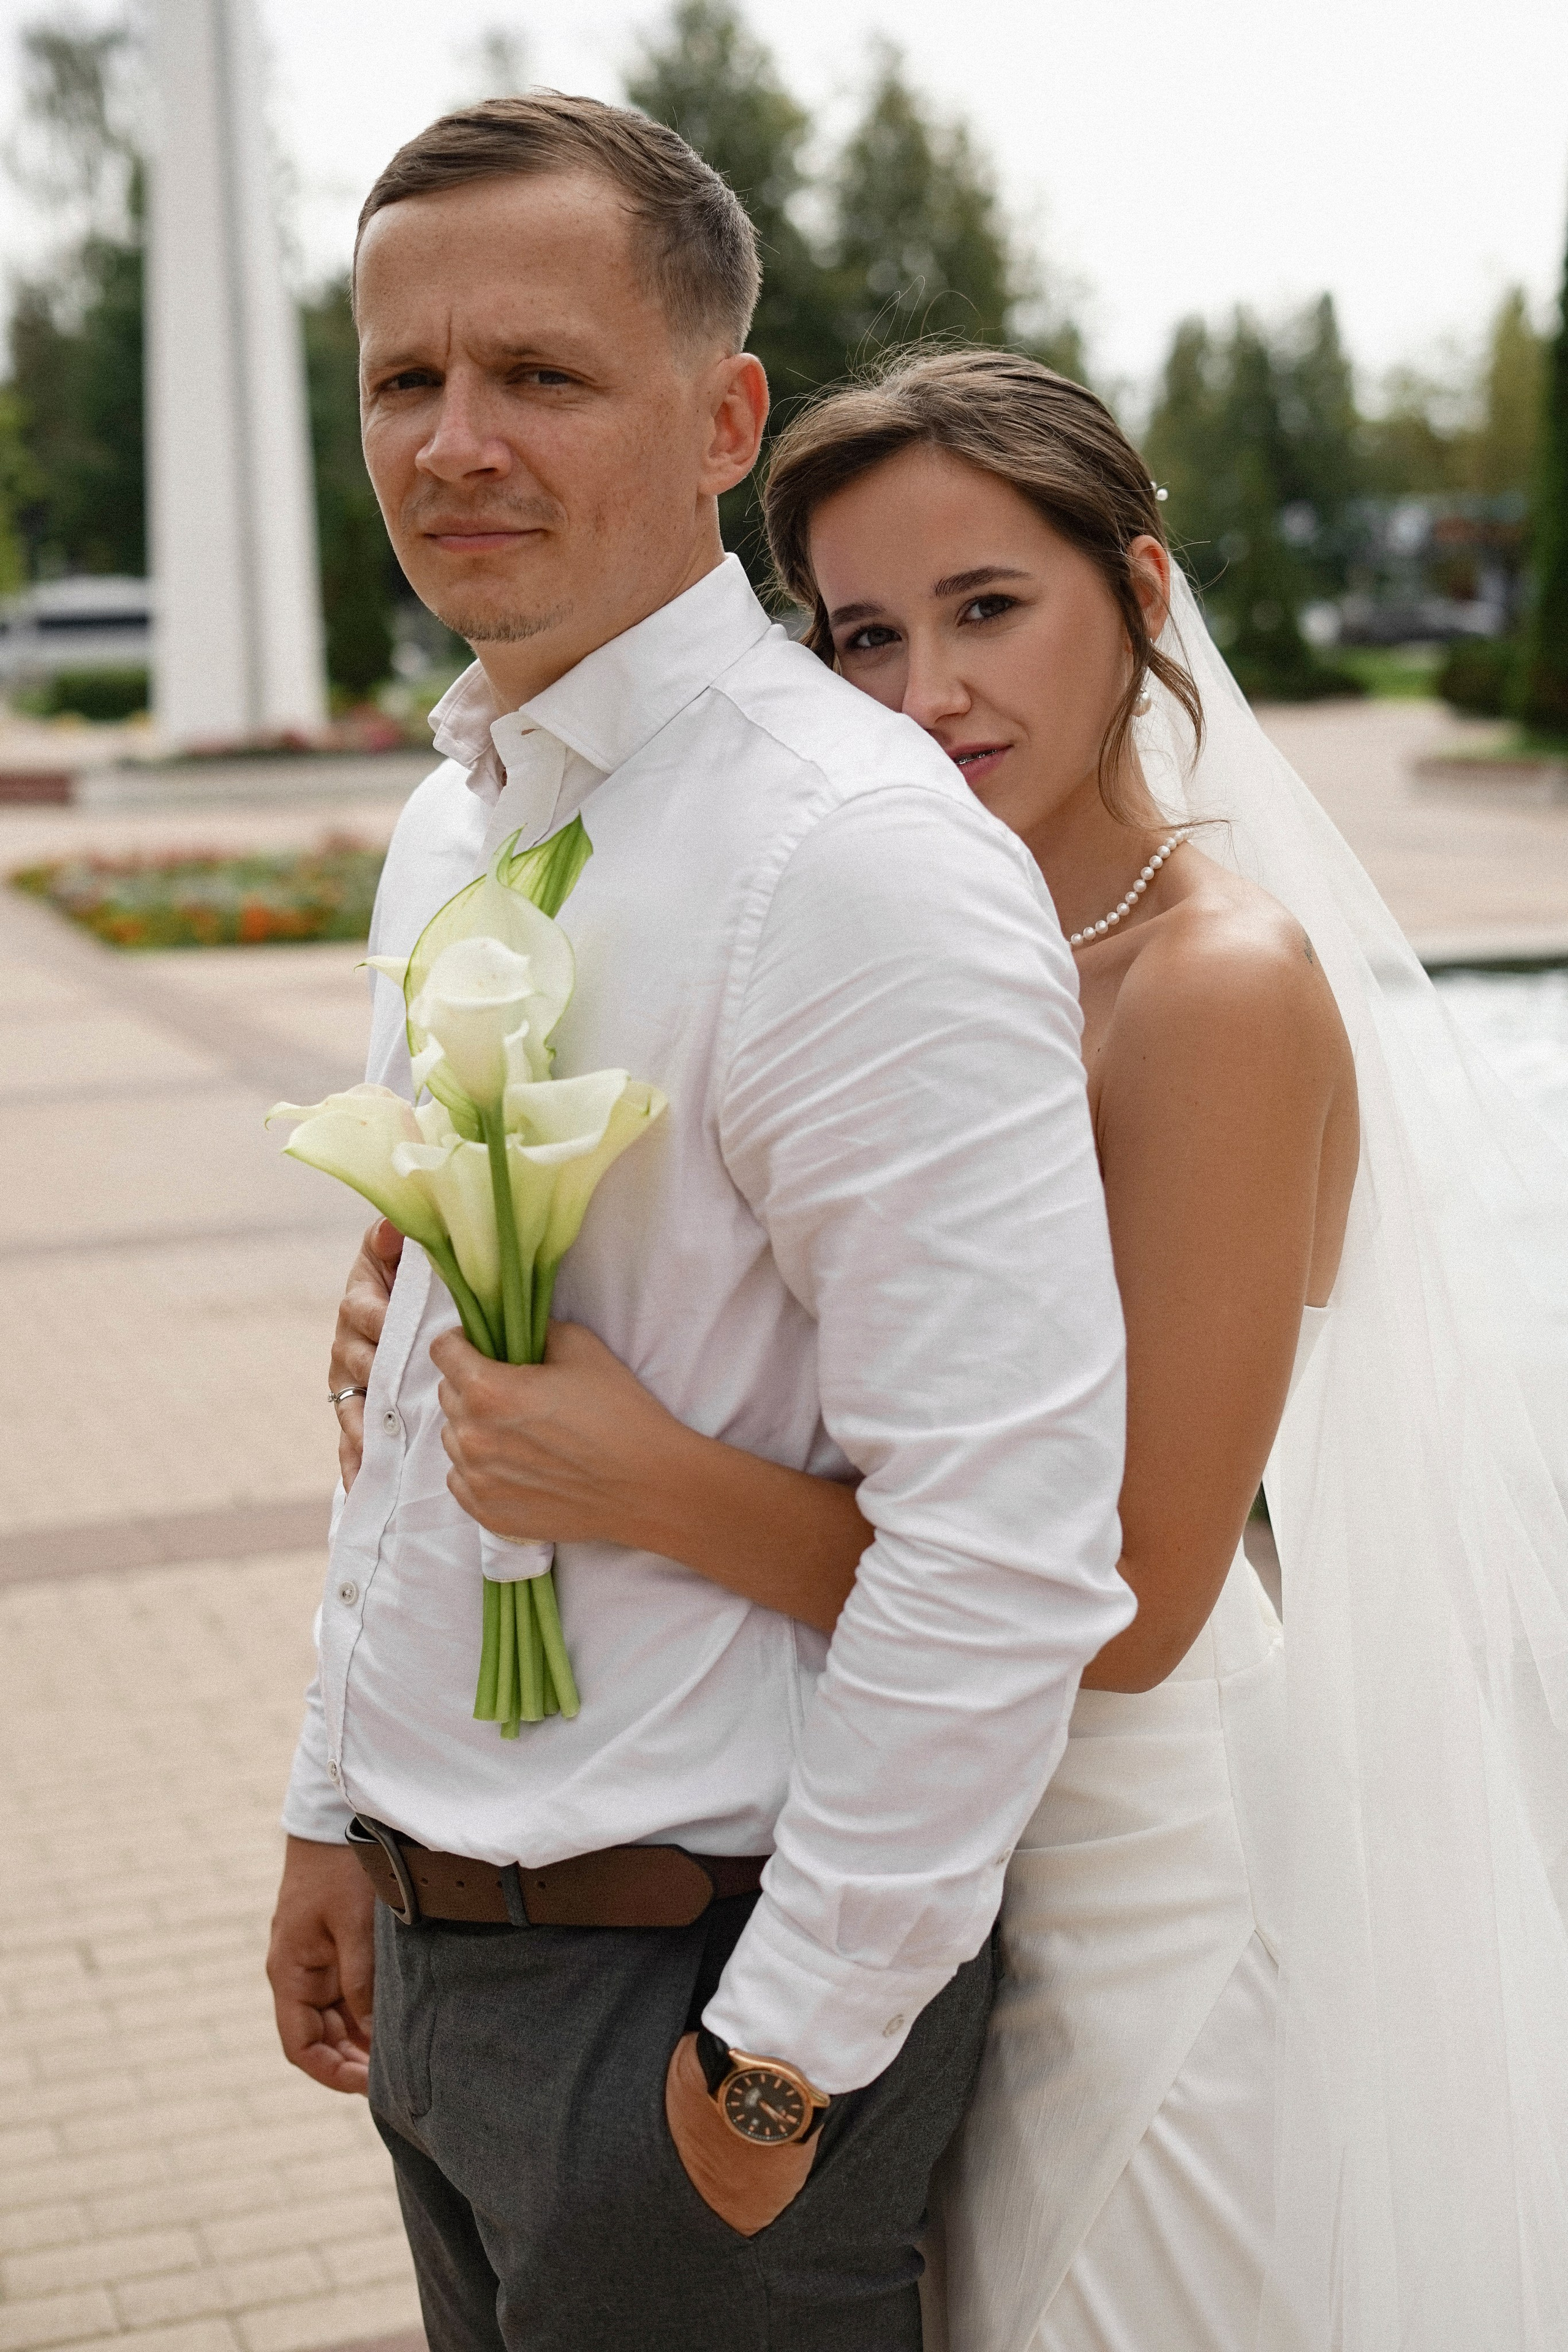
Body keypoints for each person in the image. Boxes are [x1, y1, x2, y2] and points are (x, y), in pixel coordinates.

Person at [336, 345, 1568, 2351]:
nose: (927, 695)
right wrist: (444, 1291)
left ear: (1143, 599)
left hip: (1125, 1869)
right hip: (909, 1873)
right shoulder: (897, 926)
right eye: (864, 635)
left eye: (991, 610)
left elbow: (1140, 1603)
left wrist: (640, 1481)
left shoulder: (1213, 990)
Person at [266, 102, 1134, 2352]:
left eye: (540, 377)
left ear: (723, 419)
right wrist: (328, 1809)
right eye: (403, 382)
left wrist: (775, 2069)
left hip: (703, 1993)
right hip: (444, 1963)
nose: (456, 441)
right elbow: (416, 1399)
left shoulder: (850, 861)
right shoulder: (446, 834)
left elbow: (1008, 1539)